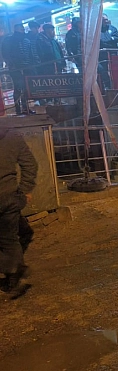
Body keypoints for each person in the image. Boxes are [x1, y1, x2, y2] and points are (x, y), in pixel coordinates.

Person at [0, 123, 38, 294]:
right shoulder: (12, 135)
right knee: (11, 237)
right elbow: (30, 164)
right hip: (9, 197)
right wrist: (24, 191)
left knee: (8, 238)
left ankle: (15, 272)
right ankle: (14, 272)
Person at [1, 24, 33, 115]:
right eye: (21, 29)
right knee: (18, 87)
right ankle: (18, 109)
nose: (22, 30)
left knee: (26, 88)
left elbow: (29, 54)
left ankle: (25, 108)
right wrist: (12, 65)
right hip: (15, 68)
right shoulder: (9, 40)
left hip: (26, 67)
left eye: (23, 29)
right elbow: (6, 54)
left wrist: (31, 65)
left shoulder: (26, 40)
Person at [99, 14, 118, 90]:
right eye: (104, 20)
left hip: (113, 53)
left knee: (115, 69)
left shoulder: (112, 28)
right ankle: (107, 86)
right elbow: (99, 41)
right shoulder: (97, 30)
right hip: (102, 55)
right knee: (103, 70)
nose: (106, 21)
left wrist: (110, 39)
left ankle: (117, 85)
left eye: (106, 19)